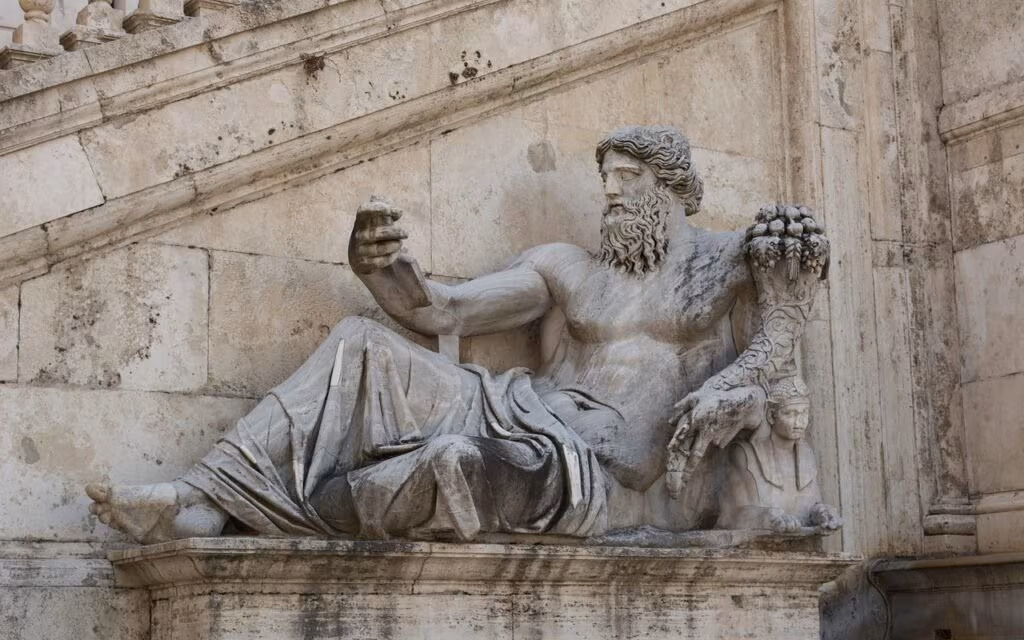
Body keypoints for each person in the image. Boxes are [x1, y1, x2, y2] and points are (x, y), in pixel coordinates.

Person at [87, 126, 819, 544]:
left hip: (594, 467)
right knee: (361, 342)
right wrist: (380, 269)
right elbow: (442, 313)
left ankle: (261, 516)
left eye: (627, 177)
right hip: (513, 404)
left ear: (670, 185)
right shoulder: (566, 267)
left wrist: (734, 392)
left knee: (464, 464)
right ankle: (202, 497)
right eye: (607, 178)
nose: (611, 193)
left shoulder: (730, 262)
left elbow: (776, 346)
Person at [715, 375, 842, 533]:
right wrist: (765, 516)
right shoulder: (746, 454)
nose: (799, 422)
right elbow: (730, 516)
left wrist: (822, 512)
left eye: (804, 413)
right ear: (771, 416)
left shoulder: (806, 454)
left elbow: (808, 507)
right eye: (790, 414)